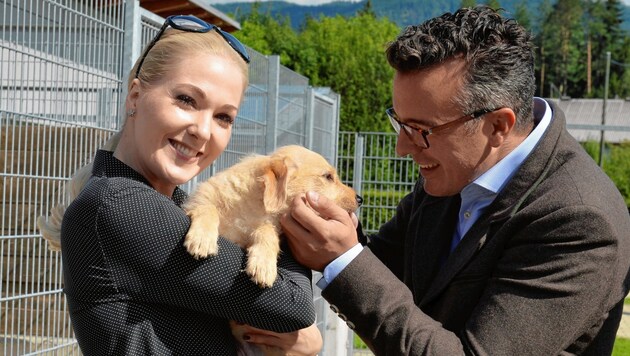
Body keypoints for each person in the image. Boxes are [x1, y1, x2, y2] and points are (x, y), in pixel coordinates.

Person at [281, 6, 630, 356]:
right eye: (399, 122)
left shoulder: (580, 220)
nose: (403, 147)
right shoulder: (458, 170)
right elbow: (377, 266)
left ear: (497, 126)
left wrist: (342, 259)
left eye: (420, 130)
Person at [38, 15, 321, 355]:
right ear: (135, 96)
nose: (203, 130)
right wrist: (285, 216)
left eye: (223, 117)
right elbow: (291, 305)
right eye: (187, 100)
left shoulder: (175, 207)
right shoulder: (120, 205)